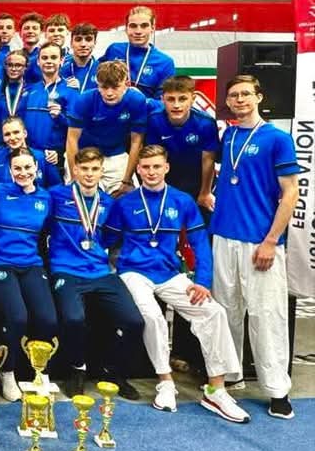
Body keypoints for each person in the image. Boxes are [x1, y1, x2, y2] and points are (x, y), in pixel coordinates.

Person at [106, 146, 249, 422]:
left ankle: (216, 389)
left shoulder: (182, 201)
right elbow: (106, 240)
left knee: (213, 312)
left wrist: (203, 281)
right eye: (146, 167)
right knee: (152, 316)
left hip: (169, 273)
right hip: (133, 272)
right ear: (138, 170)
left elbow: (200, 244)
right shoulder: (124, 203)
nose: (151, 172)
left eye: (156, 166)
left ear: (166, 168)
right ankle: (165, 381)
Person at [211, 75, 301, 419]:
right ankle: (229, 376)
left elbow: (290, 193)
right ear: (227, 102)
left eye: (246, 94)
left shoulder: (278, 138)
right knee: (226, 310)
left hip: (259, 241)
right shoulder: (229, 135)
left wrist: (271, 240)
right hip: (224, 234)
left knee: (266, 315)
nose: (240, 100)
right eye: (234, 95)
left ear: (259, 97)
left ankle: (277, 390)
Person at [49, 147, 144, 400]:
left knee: (134, 321)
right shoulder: (56, 196)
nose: (89, 174)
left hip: (100, 270)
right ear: (75, 170)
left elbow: (111, 238)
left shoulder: (109, 203)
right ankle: (77, 369)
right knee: (73, 319)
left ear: (102, 171)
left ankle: (112, 371)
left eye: (95, 169)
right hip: (65, 269)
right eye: (84, 169)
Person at [0, 148, 56, 402]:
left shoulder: (46, 198)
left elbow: (48, 231)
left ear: (36, 168)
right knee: (17, 318)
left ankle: (39, 372)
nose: (23, 172)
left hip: (31, 263)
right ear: (10, 170)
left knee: (47, 319)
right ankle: (7, 372)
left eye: (27, 167)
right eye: (17, 168)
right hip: (1, 263)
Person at [66, 59, 148, 194]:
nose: (109, 93)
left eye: (115, 87)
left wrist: (127, 180)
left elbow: (136, 142)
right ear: (97, 85)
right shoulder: (85, 100)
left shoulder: (136, 101)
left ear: (126, 84)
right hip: (84, 154)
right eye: (104, 87)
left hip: (116, 155)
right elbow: (71, 139)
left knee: (127, 196)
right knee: (80, 195)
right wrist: (75, 177)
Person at [144, 75, 218, 211]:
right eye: (171, 99)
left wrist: (205, 193)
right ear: (162, 99)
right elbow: (154, 159)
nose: (176, 105)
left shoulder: (206, 123)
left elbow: (208, 160)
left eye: (182, 99)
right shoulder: (154, 120)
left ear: (193, 99)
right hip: (168, 183)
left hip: (199, 184)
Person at [103, 5, 175, 101]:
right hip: (112, 109)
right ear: (126, 29)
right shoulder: (114, 50)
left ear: (152, 28)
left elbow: (164, 103)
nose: (138, 31)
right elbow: (96, 79)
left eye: (144, 26)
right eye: (133, 26)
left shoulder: (165, 63)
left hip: (144, 110)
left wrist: (141, 100)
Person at [23, 42, 74, 171]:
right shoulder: (29, 90)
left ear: (61, 60)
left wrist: (60, 117)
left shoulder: (70, 91)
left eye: (53, 57)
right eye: (44, 58)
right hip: (29, 155)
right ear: (38, 61)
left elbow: (76, 128)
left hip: (54, 157)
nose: (49, 61)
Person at [0, 117, 61, 188]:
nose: (12, 137)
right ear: (3, 138)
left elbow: (56, 188)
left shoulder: (42, 157)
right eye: (7, 134)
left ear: (25, 133)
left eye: (16, 132)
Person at [60, 22, 99, 93]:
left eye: (88, 39)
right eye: (78, 39)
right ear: (71, 43)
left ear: (95, 43)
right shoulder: (60, 66)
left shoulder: (100, 70)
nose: (83, 44)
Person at [0, 49, 30, 123]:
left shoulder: (31, 90)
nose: (13, 69)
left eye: (18, 65)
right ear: (5, 66)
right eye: (10, 65)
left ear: (26, 67)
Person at [18, 12, 45, 83]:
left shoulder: (46, 56)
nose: (30, 31)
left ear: (41, 33)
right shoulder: (14, 57)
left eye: (35, 28)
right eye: (26, 28)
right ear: (20, 33)